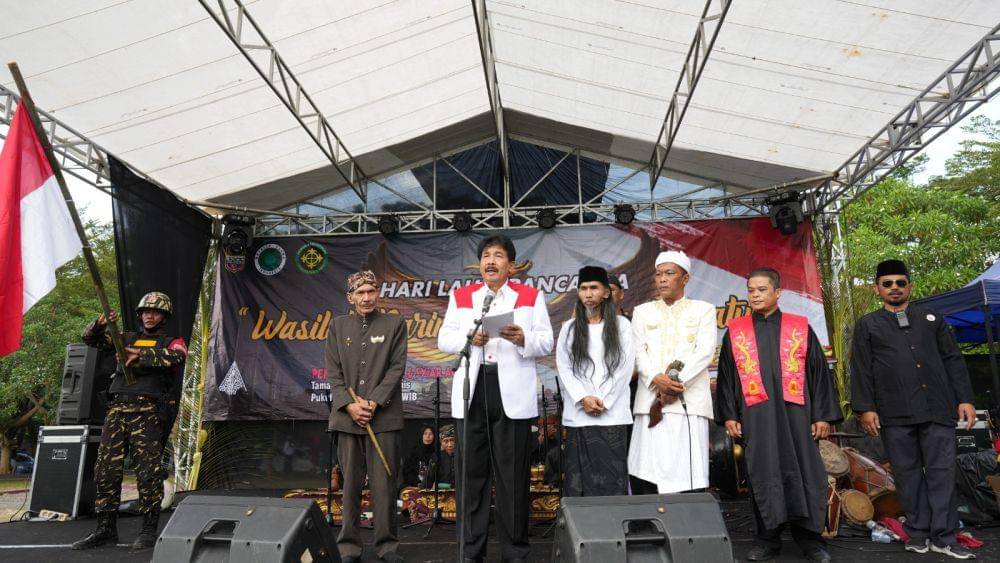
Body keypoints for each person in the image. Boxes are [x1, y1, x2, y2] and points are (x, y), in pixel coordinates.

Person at [438, 234, 553, 563]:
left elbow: (546, 342)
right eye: (486, 255)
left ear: (511, 265)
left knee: (512, 479)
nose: (491, 261)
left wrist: (523, 338)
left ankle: (515, 553)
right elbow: (444, 338)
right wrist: (468, 336)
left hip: (512, 393)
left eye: (498, 255)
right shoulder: (462, 296)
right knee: (471, 479)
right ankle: (470, 553)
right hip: (473, 390)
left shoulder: (530, 296)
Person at [851, 259, 976, 560]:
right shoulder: (868, 324)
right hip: (895, 412)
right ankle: (918, 533)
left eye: (900, 283)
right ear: (877, 289)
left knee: (942, 473)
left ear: (910, 286)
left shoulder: (932, 318)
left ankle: (944, 537)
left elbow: (953, 359)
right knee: (907, 476)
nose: (894, 288)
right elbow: (861, 369)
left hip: (937, 408)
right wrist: (865, 408)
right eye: (887, 283)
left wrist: (965, 399)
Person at [715, 268, 841, 563]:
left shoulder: (799, 328)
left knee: (805, 471)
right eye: (751, 290)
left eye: (761, 289)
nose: (755, 295)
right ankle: (767, 539)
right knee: (763, 472)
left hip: (798, 416)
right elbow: (727, 377)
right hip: (756, 416)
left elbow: (818, 373)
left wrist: (821, 416)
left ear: (777, 292)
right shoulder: (737, 331)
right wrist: (730, 415)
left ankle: (811, 540)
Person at [72, 292, 187, 551]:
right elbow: (90, 339)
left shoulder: (172, 342)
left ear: (164, 317)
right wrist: (99, 325)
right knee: (105, 472)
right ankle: (105, 530)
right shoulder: (123, 338)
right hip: (117, 410)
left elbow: (178, 356)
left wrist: (141, 356)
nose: (149, 316)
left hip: (147, 412)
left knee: (148, 473)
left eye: (155, 312)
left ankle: (148, 531)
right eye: (145, 311)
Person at [326, 270, 407, 563]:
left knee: (384, 485)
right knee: (350, 485)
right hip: (348, 419)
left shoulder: (394, 323)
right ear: (350, 297)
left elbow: (397, 367)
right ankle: (349, 547)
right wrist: (350, 405)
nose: (366, 297)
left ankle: (387, 547)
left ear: (378, 294)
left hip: (383, 418)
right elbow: (333, 372)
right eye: (360, 293)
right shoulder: (337, 326)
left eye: (371, 291)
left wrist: (373, 402)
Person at [629, 251, 716, 494]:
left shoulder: (704, 310)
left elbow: (704, 352)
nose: (662, 279)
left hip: (688, 400)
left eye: (669, 273)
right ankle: (650, 515)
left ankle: (687, 516)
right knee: (647, 468)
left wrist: (674, 384)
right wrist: (656, 378)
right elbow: (638, 352)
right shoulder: (642, 312)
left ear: (685, 279)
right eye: (658, 274)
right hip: (650, 400)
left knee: (687, 471)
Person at [555, 266, 635, 496]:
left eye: (594, 288)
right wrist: (583, 398)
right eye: (583, 288)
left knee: (612, 482)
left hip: (612, 414)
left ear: (606, 293)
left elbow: (625, 368)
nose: (588, 294)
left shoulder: (622, 325)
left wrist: (604, 401)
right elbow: (564, 367)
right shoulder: (569, 328)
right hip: (580, 416)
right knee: (579, 484)